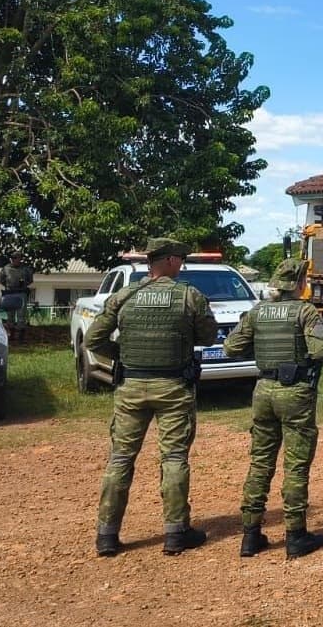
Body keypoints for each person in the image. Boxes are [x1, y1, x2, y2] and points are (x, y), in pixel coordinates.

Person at [87, 237, 218, 558]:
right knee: (174, 458)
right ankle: (176, 534)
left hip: (131, 388)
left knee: (120, 459)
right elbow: (208, 336)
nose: (182, 265)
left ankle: (107, 536)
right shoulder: (189, 296)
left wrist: (123, 355)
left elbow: (93, 339)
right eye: (180, 259)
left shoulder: (124, 296)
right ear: (171, 261)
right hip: (174, 388)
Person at [223, 258, 323, 560]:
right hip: (295, 392)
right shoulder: (305, 311)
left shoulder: (258, 312)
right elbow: (320, 350)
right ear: (300, 284)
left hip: (263, 391)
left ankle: (250, 535)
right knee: (296, 464)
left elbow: (231, 347)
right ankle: (295, 534)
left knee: (260, 461)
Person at [0, 251, 33, 341]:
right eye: (15, 258)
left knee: (21, 314)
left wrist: (23, 284)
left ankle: (21, 335)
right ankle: (11, 334)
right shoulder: (6, 268)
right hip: (9, 293)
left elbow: (30, 280)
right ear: (12, 259)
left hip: (21, 293)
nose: (17, 260)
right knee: (10, 315)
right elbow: (2, 280)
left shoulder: (25, 268)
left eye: (18, 258)